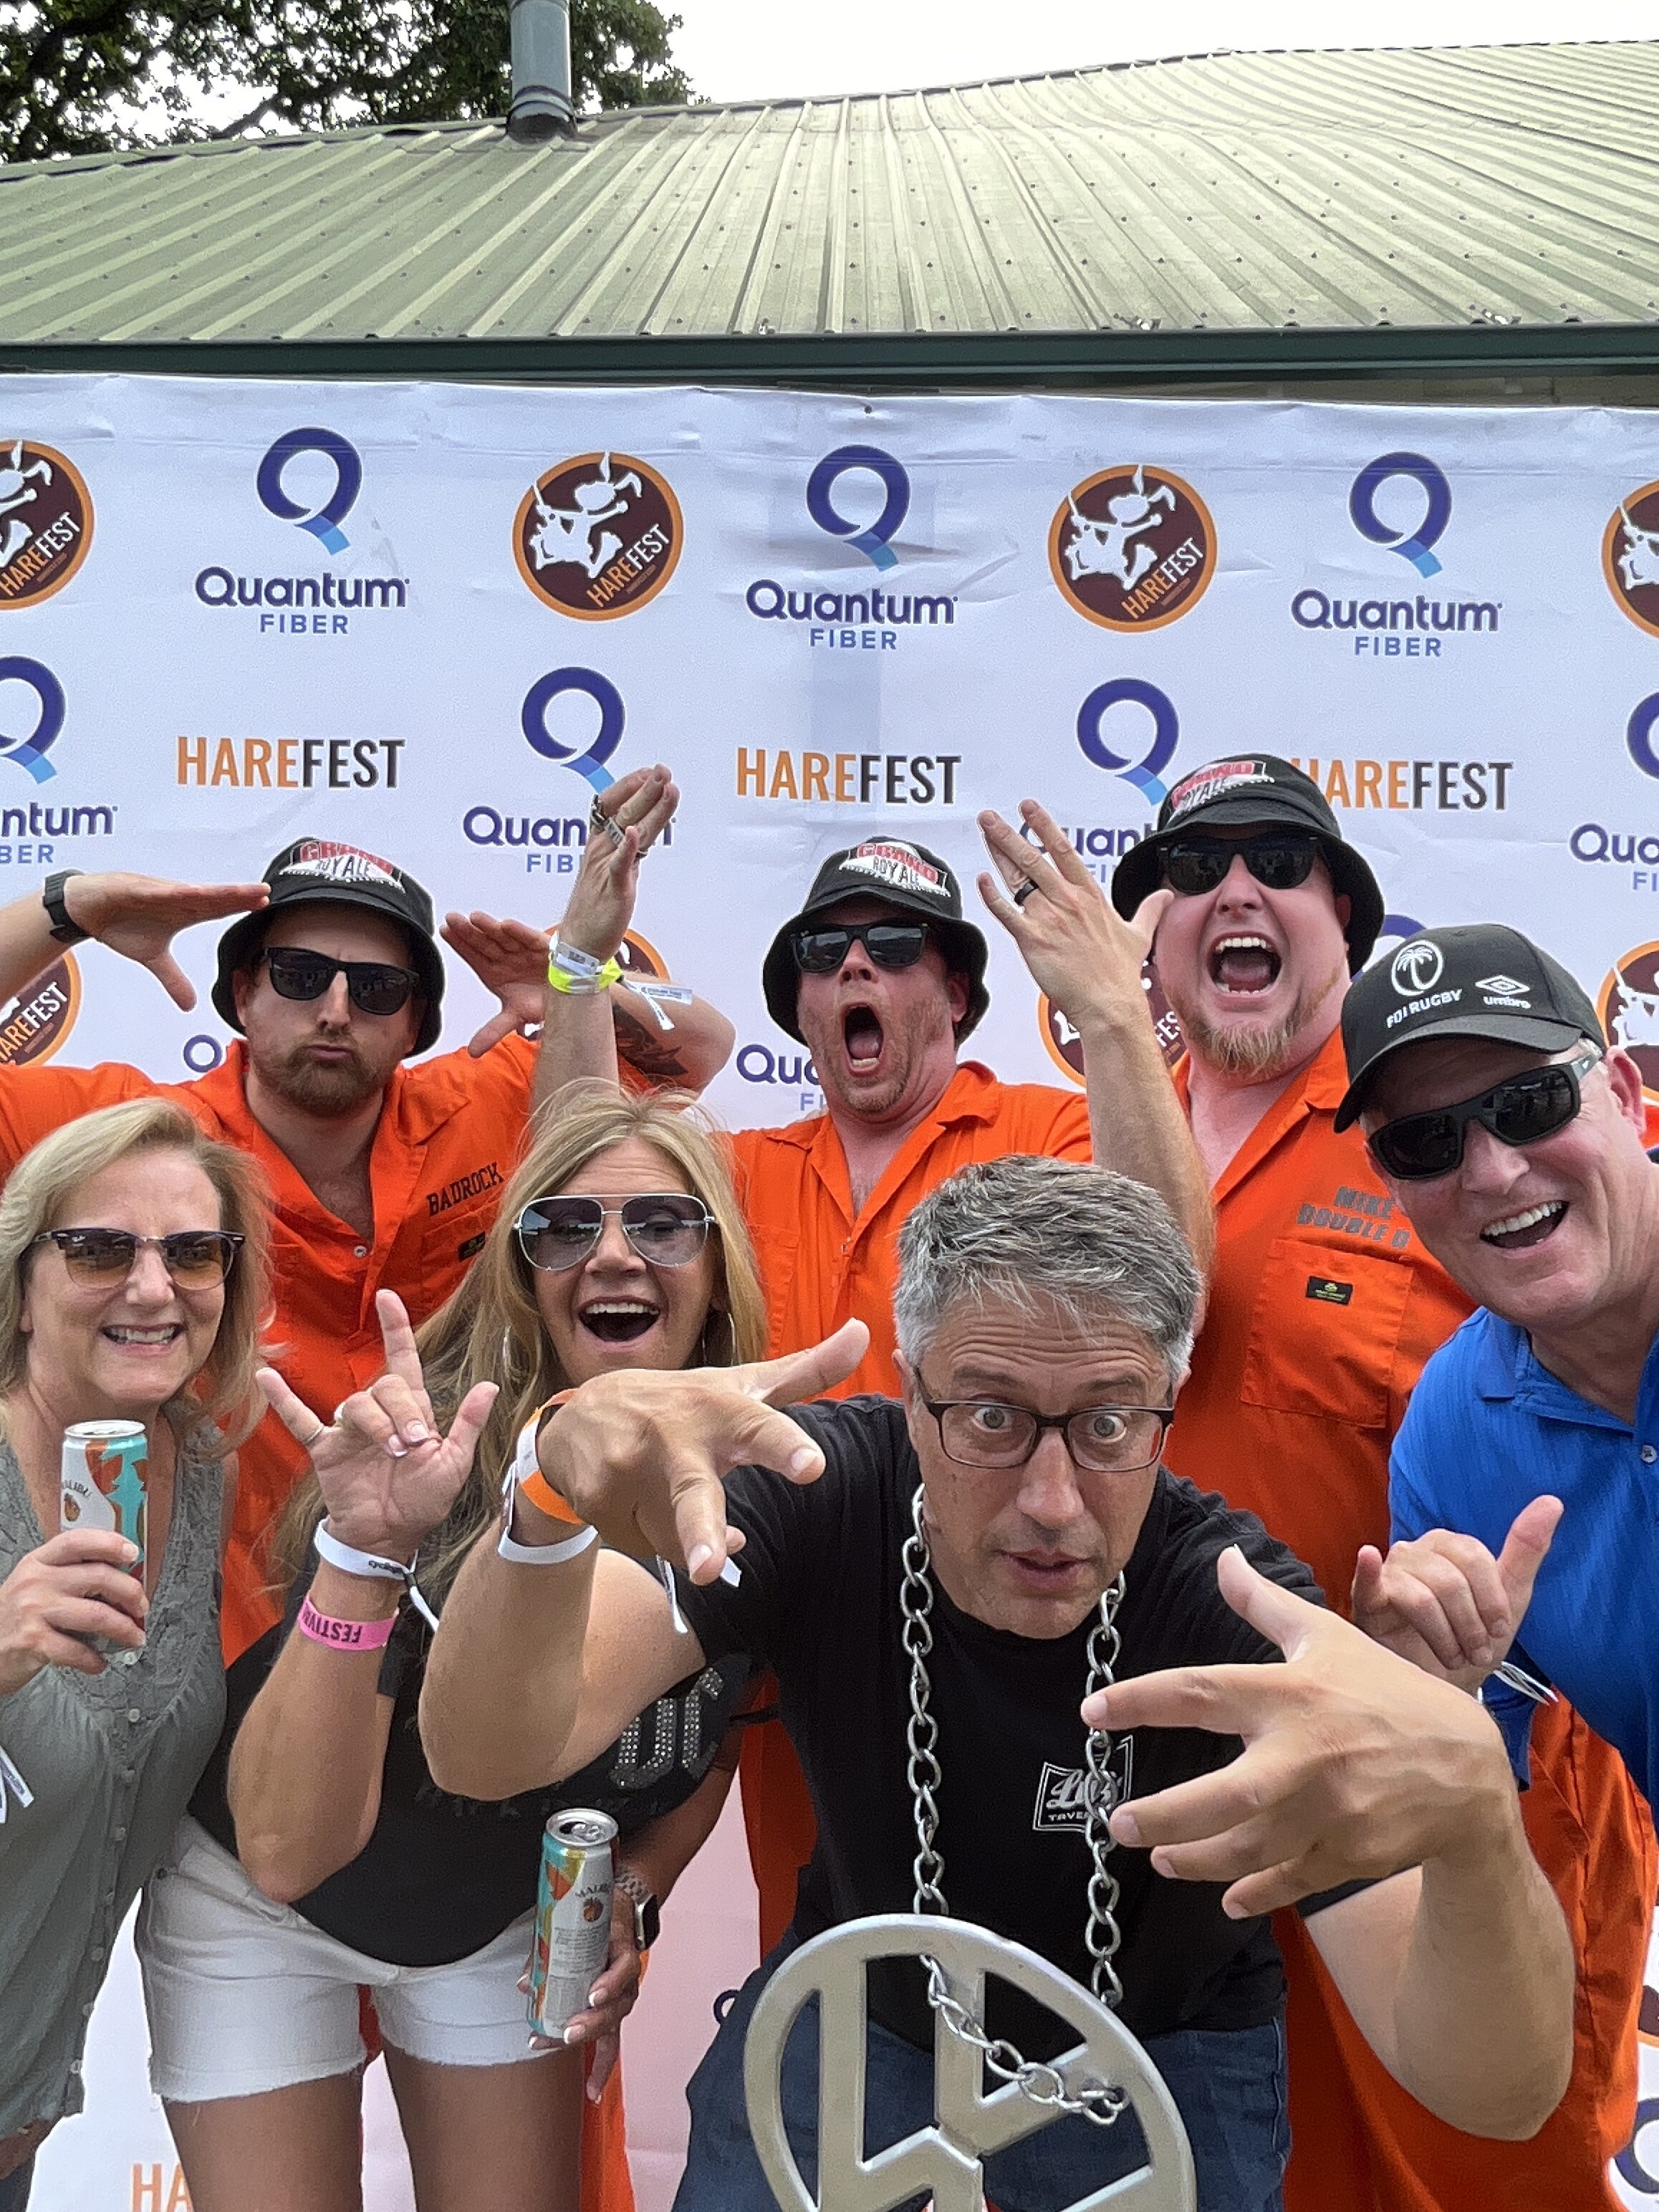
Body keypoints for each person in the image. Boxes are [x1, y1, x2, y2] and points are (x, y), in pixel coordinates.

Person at [420, 1154, 1574, 2212]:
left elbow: (1497, 2092)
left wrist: (1473, 1814)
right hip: (864, 2013)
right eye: (989, 1417)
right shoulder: (819, 1488)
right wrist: (545, 1503)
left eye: (1110, 1423)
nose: (1053, 1502)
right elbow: (485, 1752)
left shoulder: (1232, 1608)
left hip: (1158, 2056)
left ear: (1167, 1409)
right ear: (911, 1392)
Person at [529, 793, 1214, 1956]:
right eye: (824, 951)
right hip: (796, 1638)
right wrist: (580, 965)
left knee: (1024, 1970)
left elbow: (1168, 1285)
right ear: (800, 1006)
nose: (855, 964)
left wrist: (1109, 1014)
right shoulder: (736, 1169)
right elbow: (577, 1184)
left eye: (894, 945)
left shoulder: (1048, 1133)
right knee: (822, 1976)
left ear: (956, 994)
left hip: (1006, 1633)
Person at [1109, 763, 1655, 2212]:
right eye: (1194, 867)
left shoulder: (1420, 1165)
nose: (1488, 1165)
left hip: (1502, 1808)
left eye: (1279, 859)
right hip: (1226, 1805)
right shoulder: (1459, 1417)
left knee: (1493, 2155)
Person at [136, 1087, 765, 2212]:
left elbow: (720, 1734)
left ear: (718, 1271)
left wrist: (637, 1886)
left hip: (494, 1919)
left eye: (663, 1224)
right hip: (260, 1900)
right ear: (525, 1273)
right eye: (563, 1228)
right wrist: (367, 1551)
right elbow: (284, 1853)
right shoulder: (439, 1462)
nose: (613, 1255)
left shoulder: (767, 1483)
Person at [0, 769, 729, 1663]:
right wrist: (68, 907)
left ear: (416, 1020)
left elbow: (702, 1045)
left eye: (378, 989)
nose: (336, 1010)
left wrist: (578, 974)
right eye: (302, 976)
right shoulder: (148, 1148)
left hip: (461, 1619)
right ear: (243, 992)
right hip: (229, 1641)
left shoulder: (485, 1100)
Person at [0, 1098, 271, 2212]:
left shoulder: (197, 1466)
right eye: (100, 1250)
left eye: (193, 1252)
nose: (154, 1288)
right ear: (22, 1286)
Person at [1337, 922, 1659, 1815]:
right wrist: (1422, 1705)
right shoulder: (1448, 1433)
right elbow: (1462, 1782)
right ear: (1390, 1182)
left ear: (1624, 1095)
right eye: (1425, 1143)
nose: (1493, 1170)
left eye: (1531, 1103)